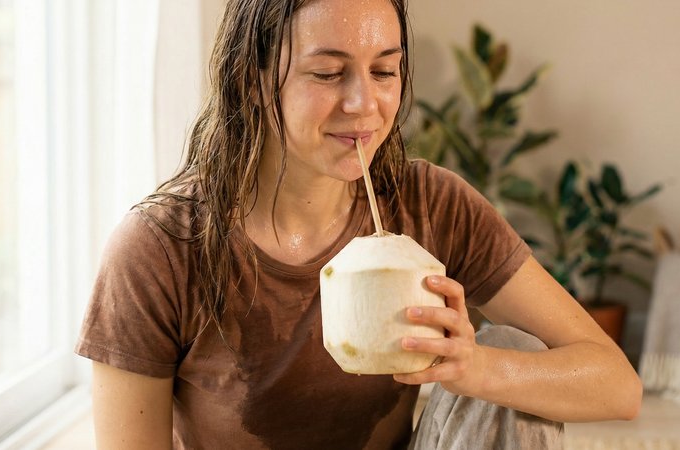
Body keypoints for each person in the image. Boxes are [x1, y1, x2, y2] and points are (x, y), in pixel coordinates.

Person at [75, 0, 643, 448]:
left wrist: (477, 368)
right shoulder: (161, 248)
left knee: (512, 343)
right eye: (327, 73)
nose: (365, 105)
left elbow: (617, 385)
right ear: (251, 79)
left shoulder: (433, 205)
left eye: (385, 71)